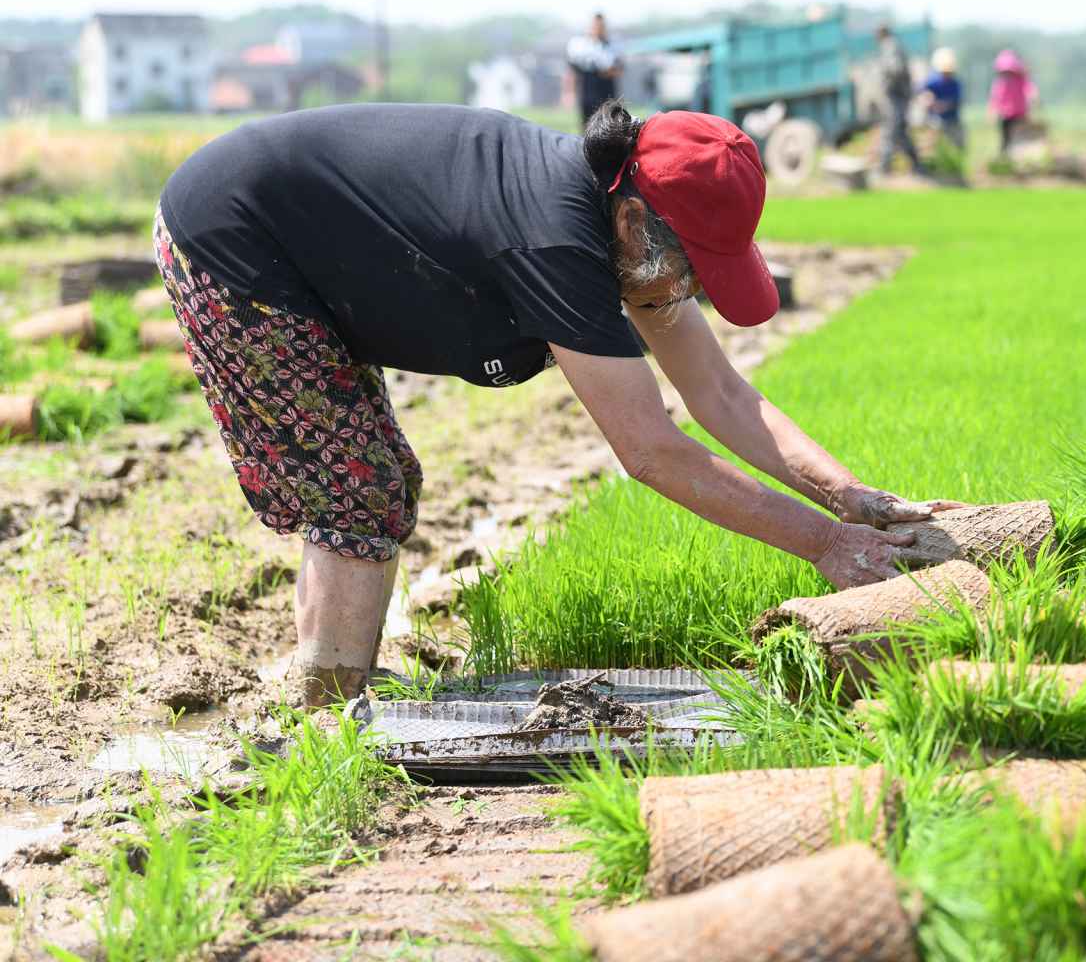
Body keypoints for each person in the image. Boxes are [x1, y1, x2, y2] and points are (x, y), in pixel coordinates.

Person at [155, 102, 952, 707]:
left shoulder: (621, 221)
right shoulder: (557, 240)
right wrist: (824, 545)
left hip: (303, 240)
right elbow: (650, 450)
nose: (688, 292)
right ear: (636, 217)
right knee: (358, 484)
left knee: (374, 476)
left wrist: (851, 499)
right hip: (235, 237)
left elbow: (721, 393)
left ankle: (337, 682)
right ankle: (328, 707)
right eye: (691, 267)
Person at [872, 24, 922, 175]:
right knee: (899, 131)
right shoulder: (892, 45)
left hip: (896, 95)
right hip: (898, 95)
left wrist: (886, 82)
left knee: (891, 130)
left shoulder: (890, 46)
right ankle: (916, 165)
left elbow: (895, 68)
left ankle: (884, 167)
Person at [567, 12, 625, 128]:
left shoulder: (613, 46)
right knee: (588, 126)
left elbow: (620, 69)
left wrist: (606, 72)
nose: (598, 29)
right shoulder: (580, 46)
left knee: (609, 126)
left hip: (607, 92)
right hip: (587, 91)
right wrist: (569, 92)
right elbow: (572, 70)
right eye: (595, 26)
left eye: (601, 26)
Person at [987, 49, 1034, 155]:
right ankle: (1005, 159)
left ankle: (1018, 159)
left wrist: (1032, 103)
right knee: (1006, 140)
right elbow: (995, 99)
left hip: (1020, 115)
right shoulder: (1000, 83)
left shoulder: (1021, 80)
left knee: (1020, 141)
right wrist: (992, 112)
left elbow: (1030, 92)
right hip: (1006, 116)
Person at [920, 47, 965, 153]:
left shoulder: (955, 83)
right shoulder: (932, 81)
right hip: (934, 120)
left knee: (957, 144)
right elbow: (921, 93)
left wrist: (943, 105)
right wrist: (927, 98)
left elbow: (956, 101)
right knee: (932, 145)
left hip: (952, 119)